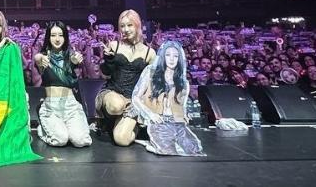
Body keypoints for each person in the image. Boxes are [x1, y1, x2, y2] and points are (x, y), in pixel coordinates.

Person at [132, 41, 204, 156]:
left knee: (194, 149)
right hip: (155, 120)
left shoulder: (183, 82)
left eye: (175, 56)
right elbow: (136, 97)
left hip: (175, 122)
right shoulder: (151, 72)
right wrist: (150, 114)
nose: (172, 59)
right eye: (168, 55)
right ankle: (151, 143)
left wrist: (184, 115)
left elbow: (182, 106)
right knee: (167, 150)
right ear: (163, 57)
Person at [95, 9, 156, 146]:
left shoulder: (149, 53)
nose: (125, 29)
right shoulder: (114, 46)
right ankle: (113, 122)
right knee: (116, 106)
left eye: (129, 25)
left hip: (134, 99)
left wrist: (141, 104)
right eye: (122, 26)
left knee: (122, 140)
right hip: (112, 93)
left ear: (138, 26)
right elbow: (104, 74)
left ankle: (135, 126)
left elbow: (152, 84)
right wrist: (108, 60)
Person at [33, 21, 92, 147]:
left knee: (81, 141)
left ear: (65, 37)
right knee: (60, 140)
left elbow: (75, 59)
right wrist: (39, 58)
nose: (57, 39)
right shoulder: (45, 57)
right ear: (48, 37)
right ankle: (42, 128)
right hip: (51, 107)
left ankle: (67, 128)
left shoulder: (70, 56)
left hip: (70, 105)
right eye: (53, 35)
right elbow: (37, 58)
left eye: (60, 35)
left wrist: (76, 60)